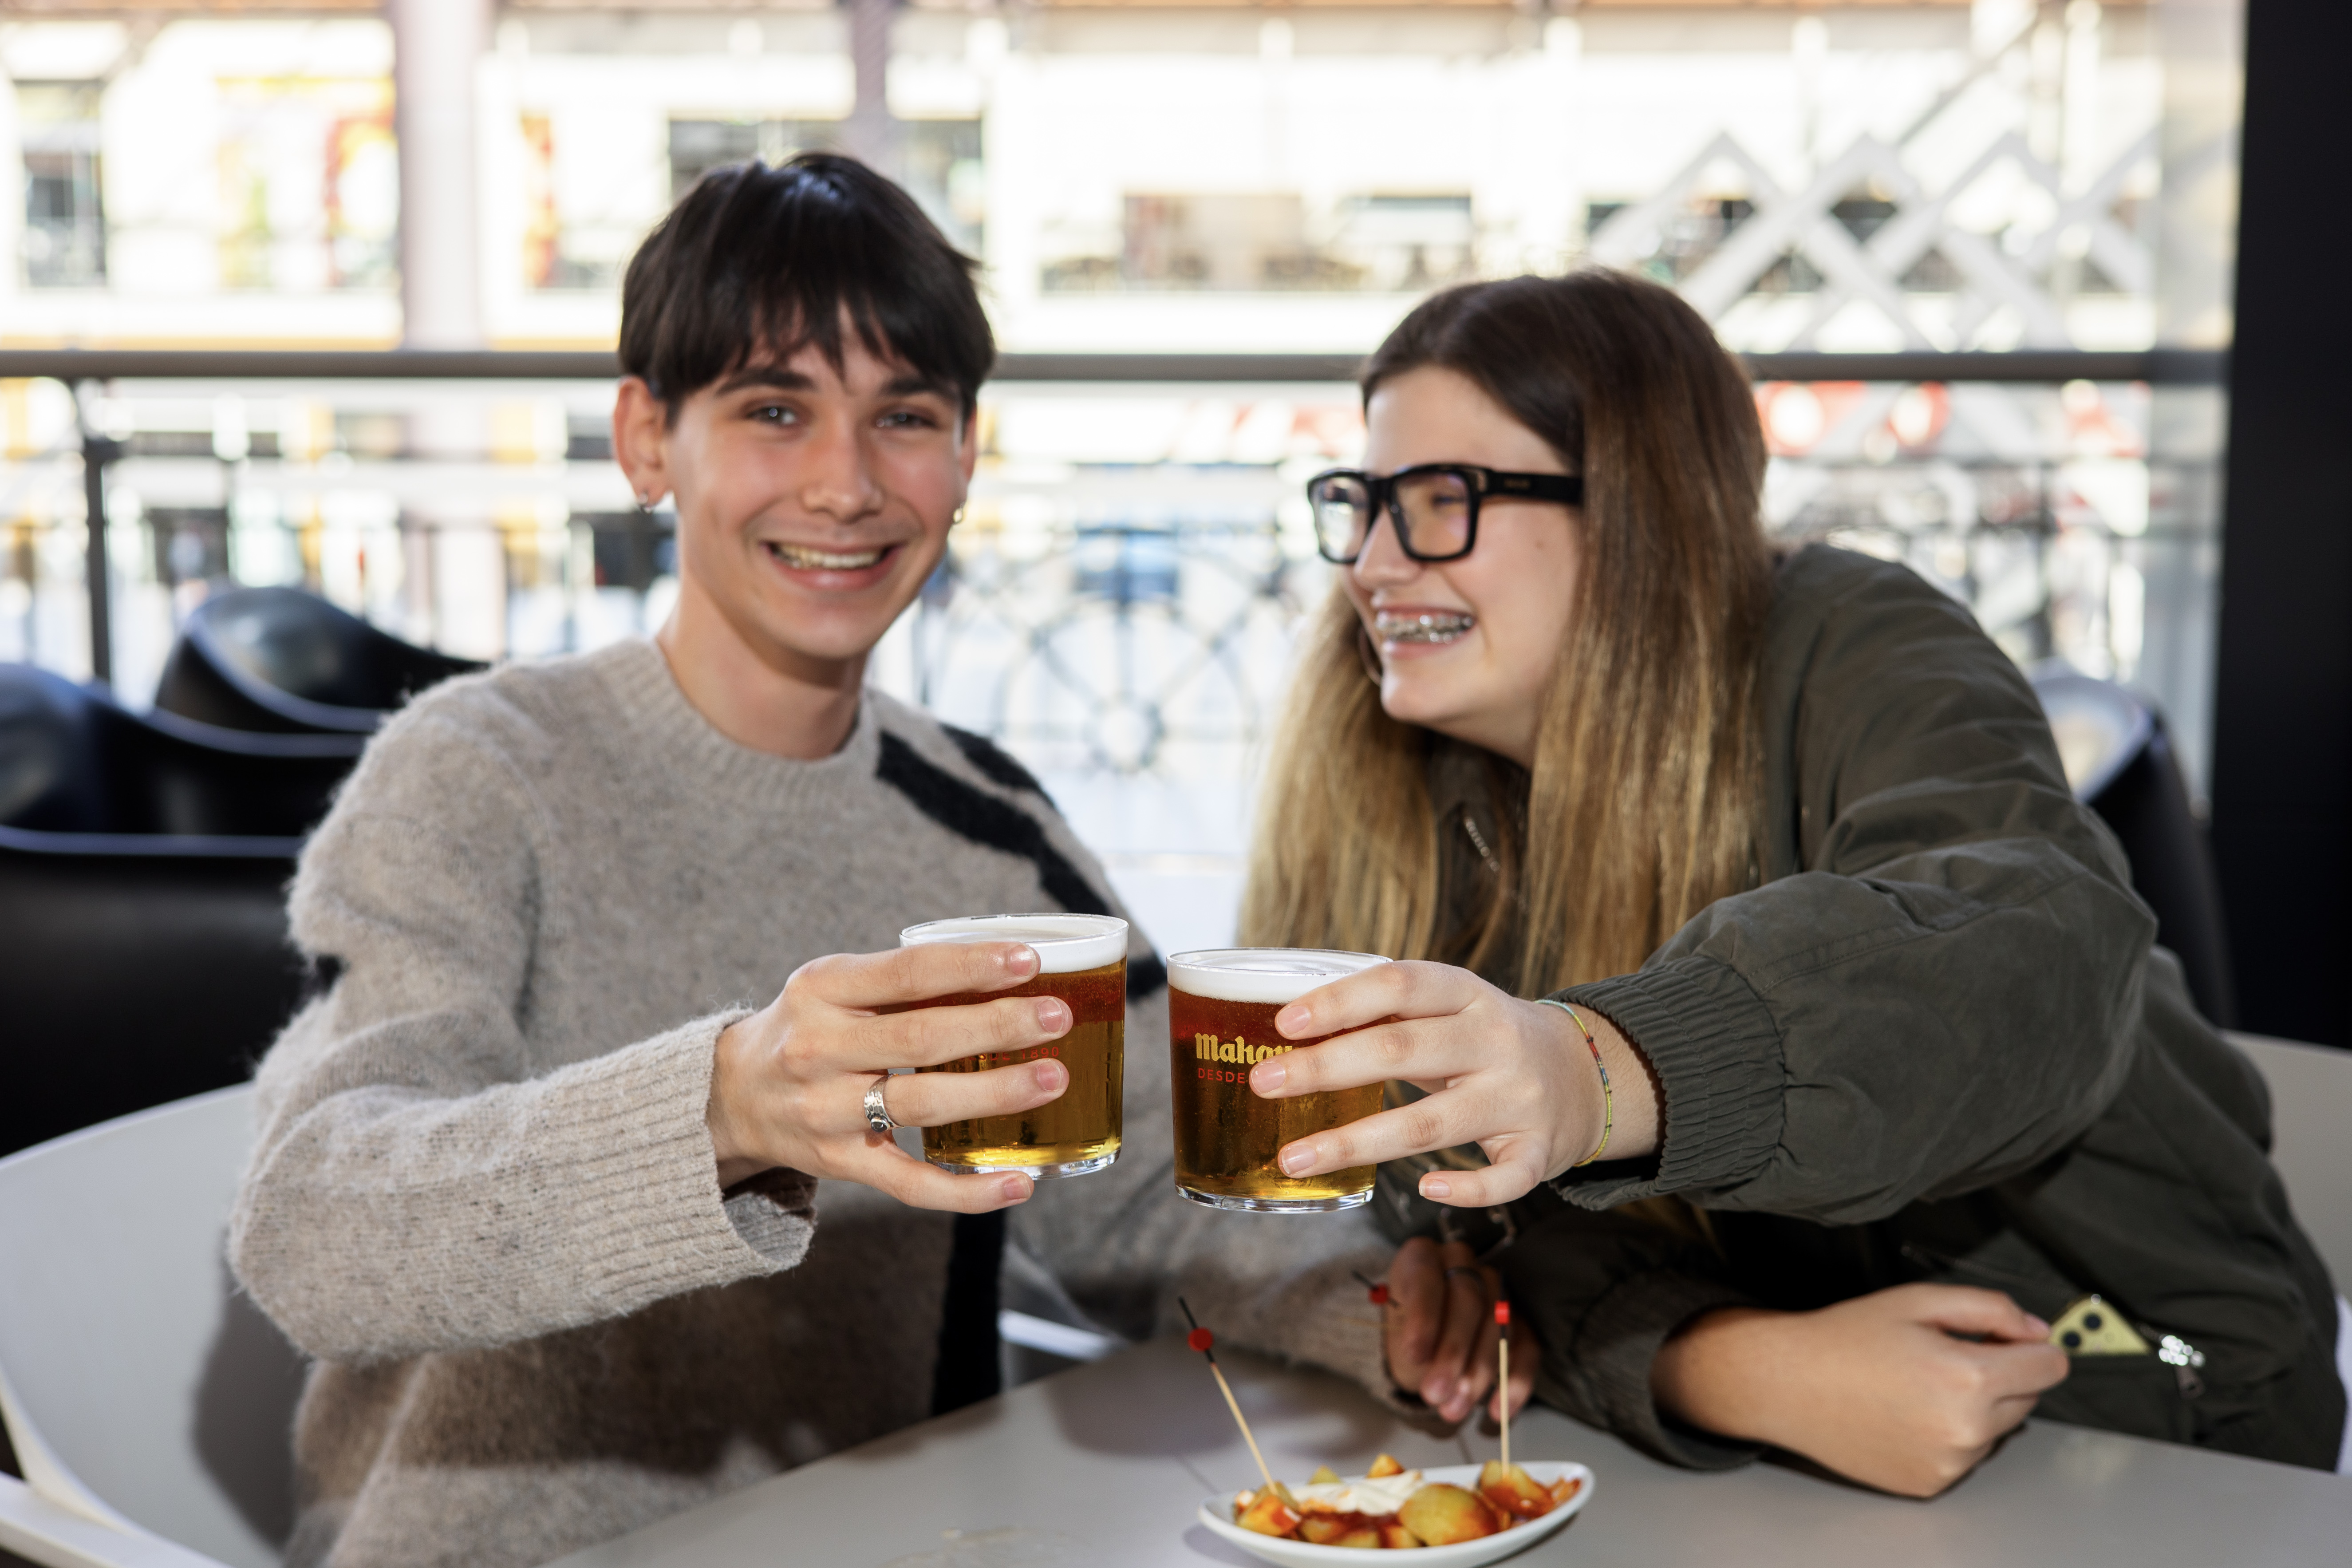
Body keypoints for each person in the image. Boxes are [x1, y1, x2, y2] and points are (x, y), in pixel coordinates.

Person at [229, 154, 1394, 1568]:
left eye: (903, 417)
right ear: (647, 441)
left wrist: (1375, 1313)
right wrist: (727, 1108)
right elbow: (315, 1227)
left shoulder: (992, 826)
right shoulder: (479, 770)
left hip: (899, 1539)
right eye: (774, 410)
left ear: (965, 458)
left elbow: (1139, 1190)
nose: (845, 486)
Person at [1232, 269, 2349, 1493]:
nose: (1374, 566)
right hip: (1775, 1485)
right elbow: (1505, 1248)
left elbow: (2030, 950)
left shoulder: (1856, 644)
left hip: (2154, 1429)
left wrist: (1597, 1066)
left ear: (1638, 513)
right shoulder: (1412, 802)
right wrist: (1718, 1364)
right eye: (1362, 502)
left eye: (1442, 500)